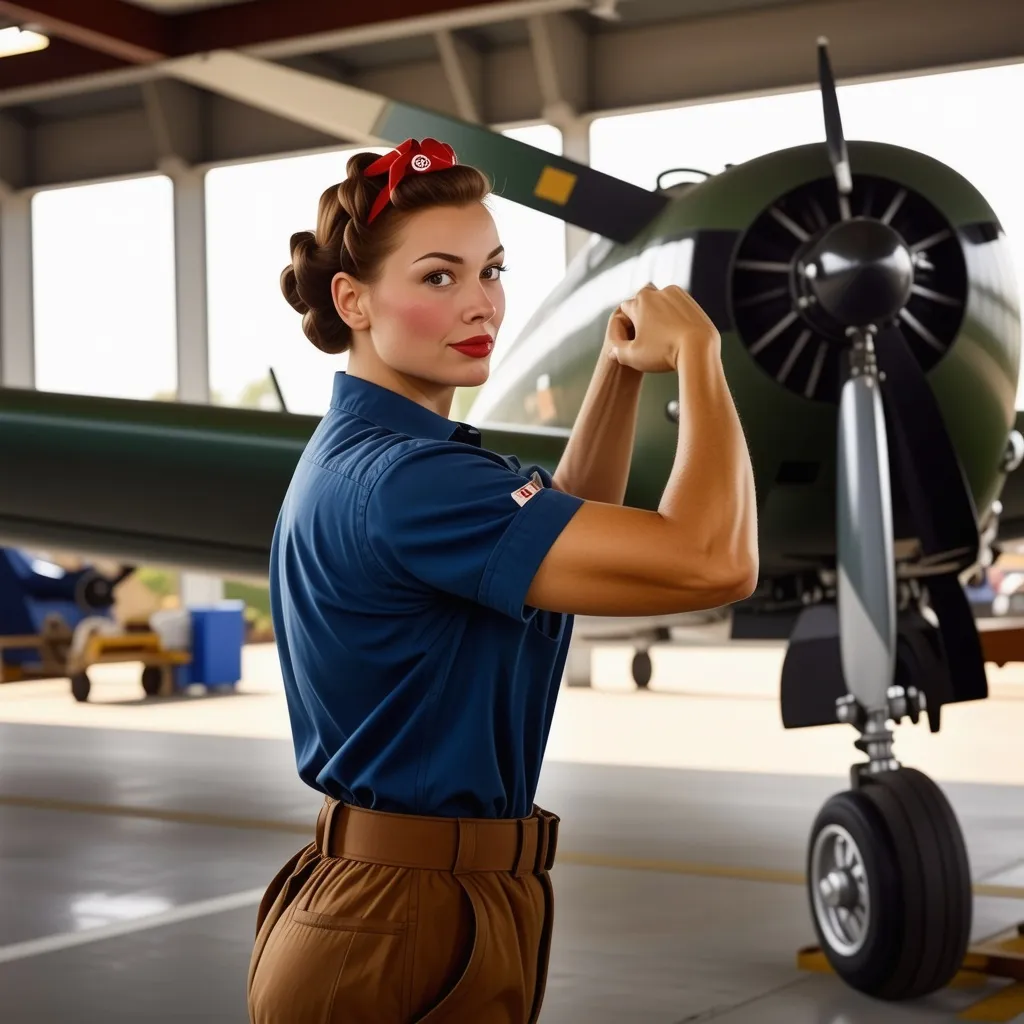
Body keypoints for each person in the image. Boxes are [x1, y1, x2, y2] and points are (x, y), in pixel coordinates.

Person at [247, 137, 758, 1024]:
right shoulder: (413, 483)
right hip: (409, 917)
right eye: (439, 277)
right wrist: (703, 362)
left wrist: (617, 372)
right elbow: (714, 560)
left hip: (413, 902)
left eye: (492, 270)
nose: (480, 303)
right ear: (353, 299)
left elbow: (573, 535)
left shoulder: (379, 462)